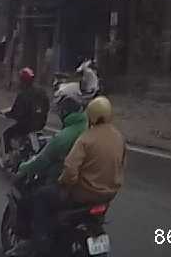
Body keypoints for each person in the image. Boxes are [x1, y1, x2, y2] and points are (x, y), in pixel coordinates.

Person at [9, 96, 124, 257]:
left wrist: (64, 184)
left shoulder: (86, 139)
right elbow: (121, 164)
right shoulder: (118, 137)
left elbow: (70, 169)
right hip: (107, 195)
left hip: (83, 194)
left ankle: (39, 243)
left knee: (41, 197)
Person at [2, 67, 50, 167]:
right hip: (40, 124)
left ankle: (8, 157)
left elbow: (17, 112)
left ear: (22, 80)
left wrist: (8, 114)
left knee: (7, 134)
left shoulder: (23, 95)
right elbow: (47, 107)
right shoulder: (42, 92)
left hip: (26, 126)